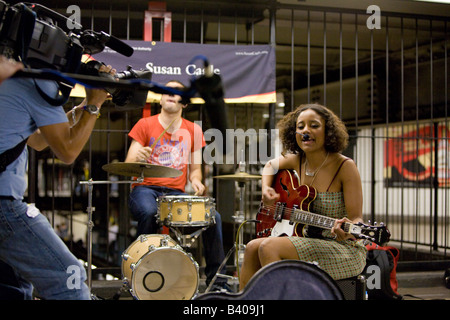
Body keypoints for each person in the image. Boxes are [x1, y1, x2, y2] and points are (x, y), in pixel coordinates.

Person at [0, 61, 115, 300]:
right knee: (69, 275)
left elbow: (39, 141)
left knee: (13, 286)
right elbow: (68, 151)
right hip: (4, 206)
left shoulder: (9, 85)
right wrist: (94, 103)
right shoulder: (34, 82)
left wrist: (83, 106)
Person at [239, 103, 367, 290]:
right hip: (305, 239)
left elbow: (357, 218)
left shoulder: (345, 166)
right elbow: (270, 166)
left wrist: (349, 229)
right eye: (300, 127)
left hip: (341, 248)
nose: (306, 131)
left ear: (328, 131)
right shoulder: (297, 160)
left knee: (269, 247)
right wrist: (266, 189)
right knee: (251, 247)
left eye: (314, 125)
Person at [125, 80, 226, 287]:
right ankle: (142, 272)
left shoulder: (194, 131)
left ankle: (217, 281)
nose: (170, 94)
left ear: (185, 103)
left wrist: (196, 181)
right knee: (148, 211)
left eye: (177, 92)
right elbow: (127, 165)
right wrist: (139, 158)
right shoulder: (145, 124)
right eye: (166, 91)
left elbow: (195, 169)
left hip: (175, 192)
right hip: (146, 189)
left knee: (213, 217)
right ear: (160, 98)